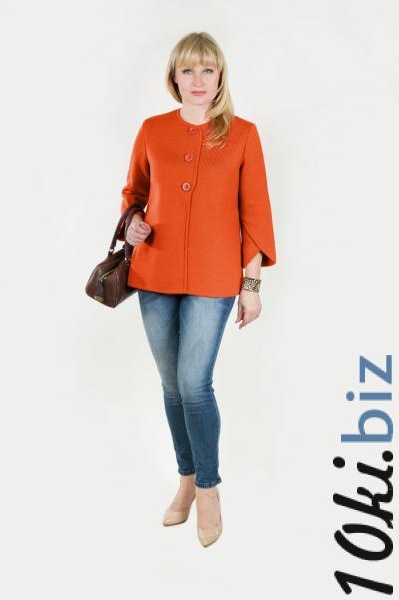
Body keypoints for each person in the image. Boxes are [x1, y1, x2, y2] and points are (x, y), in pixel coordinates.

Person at [117, 31, 277, 547]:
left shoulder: (243, 134)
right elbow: (134, 193)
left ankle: (208, 488)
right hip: (154, 274)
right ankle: (185, 480)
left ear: (220, 76)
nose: (198, 79)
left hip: (214, 278)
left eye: (208, 69)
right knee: (171, 386)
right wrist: (133, 221)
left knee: (194, 384)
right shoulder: (152, 130)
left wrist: (251, 285)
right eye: (188, 70)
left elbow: (255, 215)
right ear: (174, 77)